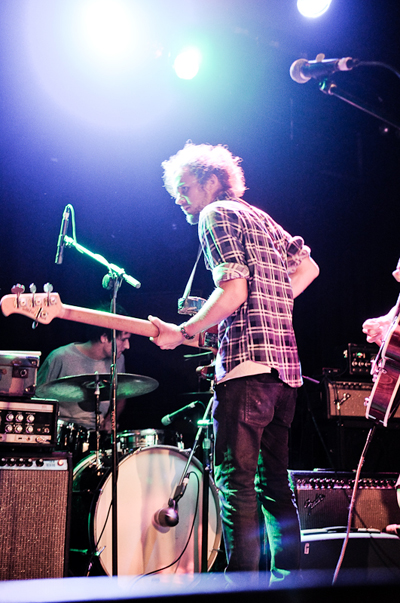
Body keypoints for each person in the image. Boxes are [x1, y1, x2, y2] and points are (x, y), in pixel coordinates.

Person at [148, 142, 319, 584]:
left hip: (247, 370)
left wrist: (185, 332)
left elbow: (236, 291)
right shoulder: (261, 217)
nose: (181, 199)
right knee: (275, 487)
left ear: (211, 180)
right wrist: (271, 300)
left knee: (236, 485)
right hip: (286, 375)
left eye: (185, 188)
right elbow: (309, 268)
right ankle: (288, 585)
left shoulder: (214, 215)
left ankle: (240, 589)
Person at [37, 310, 131, 433]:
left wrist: (110, 419)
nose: (128, 346)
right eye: (123, 339)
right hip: (62, 433)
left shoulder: (118, 360)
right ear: (104, 337)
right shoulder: (60, 357)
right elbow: (37, 398)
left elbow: (121, 395)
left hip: (98, 434)